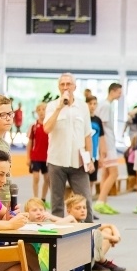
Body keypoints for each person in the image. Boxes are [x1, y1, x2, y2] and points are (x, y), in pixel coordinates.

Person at [44, 73, 95, 222]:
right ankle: (58, 241)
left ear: (74, 87)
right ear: (59, 87)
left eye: (68, 84)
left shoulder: (83, 107)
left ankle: (88, 238)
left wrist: (90, 158)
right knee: (56, 204)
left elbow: (87, 135)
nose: (65, 87)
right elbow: (46, 128)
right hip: (56, 160)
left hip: (78, 162)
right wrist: (59, 108)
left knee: (86, 202)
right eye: (62, 84)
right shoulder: (52, 106)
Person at [65, 194, 125, 271]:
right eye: (78, 208)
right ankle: (101, 262)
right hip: (73, 259)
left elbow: (108, 225)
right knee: (97, 235)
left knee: (107, 230)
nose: (82, 210)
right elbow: (92, 233)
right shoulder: (70, 222)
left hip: (86, 252)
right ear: (69, 211)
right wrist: (112, 238)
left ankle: (95, 261)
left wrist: (116, 237)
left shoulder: (83, 223)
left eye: (84, 207)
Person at [94, 83, 123, 215]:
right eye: (119, 92)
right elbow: (103, 127)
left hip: (108, 142)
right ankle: (100, 201)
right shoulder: (105, 105)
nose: (120, 95)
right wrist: (103, 148)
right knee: (114, 173)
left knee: (106, 173)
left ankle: (102, 201)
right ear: (113, 91)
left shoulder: (107, 105)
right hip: (108, 143)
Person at [27, 102, 50, 204]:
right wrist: (28, 157)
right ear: (36, 112)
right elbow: (30, 142)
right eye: (39, 110)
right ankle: (36, 199)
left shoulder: (49, 125)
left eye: (43, 109)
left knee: (47, 179)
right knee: (36, 178)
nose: (41, 112)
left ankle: (43, 199)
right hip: (36, 156)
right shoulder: (34, 126)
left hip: (48, 157)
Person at [86, 95, 107, 202]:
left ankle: (88, 207)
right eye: (90, 104)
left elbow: (101, 138)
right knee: (82, 182)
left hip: (94, 156)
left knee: (91, 181)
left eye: (95, 104)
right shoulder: (83, 118)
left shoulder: (98, 120)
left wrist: (102, 155)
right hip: (84, 155)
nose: (92, 106)